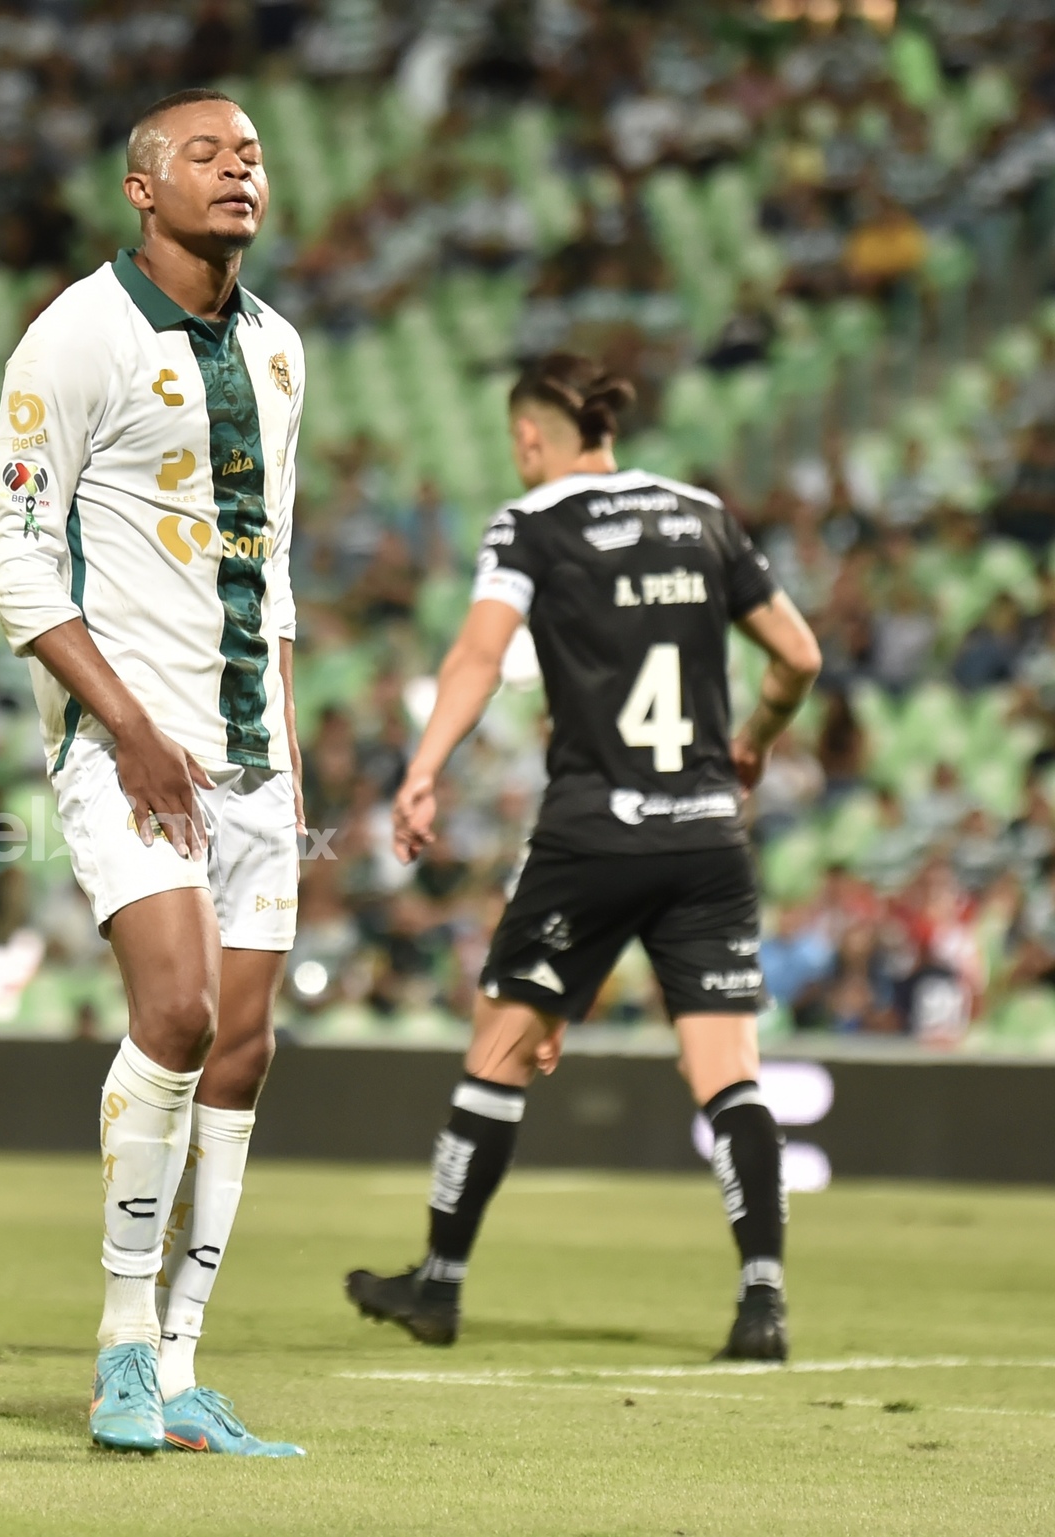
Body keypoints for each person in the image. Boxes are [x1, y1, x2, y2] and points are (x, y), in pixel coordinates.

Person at [343, 354, 823, 1362]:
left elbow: (479, 655)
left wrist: (423, 770)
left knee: (502, 1047)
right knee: (729, 1076)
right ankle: (763, 1304)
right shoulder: (704, 515)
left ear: (530, 440)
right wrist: (757, 740)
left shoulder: (532, 523)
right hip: (706, 832)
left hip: (593, 831)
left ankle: (440, 1283)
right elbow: (800, 656)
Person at [0, 88, 306, 1456]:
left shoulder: (279, 349)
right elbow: (14, 554)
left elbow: (271, 567)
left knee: (244, 1046)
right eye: (206, 154)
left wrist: (291, 753)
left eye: (252, 156)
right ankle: (121, 1342)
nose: (238, 172)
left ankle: (180, 1366)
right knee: (175, 1010)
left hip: (254, 749)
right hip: (128, 741)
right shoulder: (75, 334)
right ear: (140, 187)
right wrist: (123, 725)